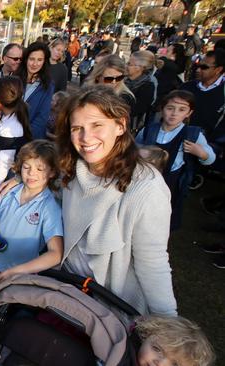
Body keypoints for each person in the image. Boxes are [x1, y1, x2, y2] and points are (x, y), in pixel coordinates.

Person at [56, 85, 176, 316]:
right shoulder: (72, 168)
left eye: (97, 125)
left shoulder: (147, 189)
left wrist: (167, 322)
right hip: (68, 288)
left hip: (111, 306)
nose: (85, 137)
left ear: (120, 126)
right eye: (77, 128)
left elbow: (153, 263)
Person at [0, 140, 63, 290]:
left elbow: (56, 254)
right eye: (26, 167)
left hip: (21, 276)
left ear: (52, 172)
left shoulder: (50, 207)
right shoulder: (9, 193)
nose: (31, 173)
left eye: (40, 169)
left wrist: (16, 271)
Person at [136, 90, 215, 230]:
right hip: (146, 177)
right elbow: (134, 149)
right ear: (162, 108)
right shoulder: (149, 130)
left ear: (189, 113)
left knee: (165, 210)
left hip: (172, 180)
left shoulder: (192, 134)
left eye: (182, 109)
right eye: (170, 108)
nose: (174, 113)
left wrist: (201, 153)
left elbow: (210, 158)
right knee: (143, 207)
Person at [0, 76, 32, 199]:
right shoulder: (10, 116)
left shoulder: (11, 129)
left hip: (5, 178)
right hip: (1, 172)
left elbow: (5, 164)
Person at [180, 48, 224, 140]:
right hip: (178, 139)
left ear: (218, 69)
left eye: (204, 67)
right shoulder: (186, 87)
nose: (198, 70)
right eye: (198, 66)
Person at [135, 315, 215, 366]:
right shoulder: (125, 349)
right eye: (157, 349)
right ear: (146, 335)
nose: (160, 363)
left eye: (174, 364)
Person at [16, 42, 54, 140]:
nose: (35, 64)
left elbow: (42, 117)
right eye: (32, 59)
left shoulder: (47, 84)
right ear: (25, 59)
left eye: (40, 60)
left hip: (30, 138)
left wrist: (25, 137)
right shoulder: (15, 78)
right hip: (9, 133)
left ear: (44, 61)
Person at [126, 50, 157, 131]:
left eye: (129, 64)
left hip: (130, 127)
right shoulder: (124, 79)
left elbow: (137, 109)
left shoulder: (148, 85)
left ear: (140, 67)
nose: (126, 66)